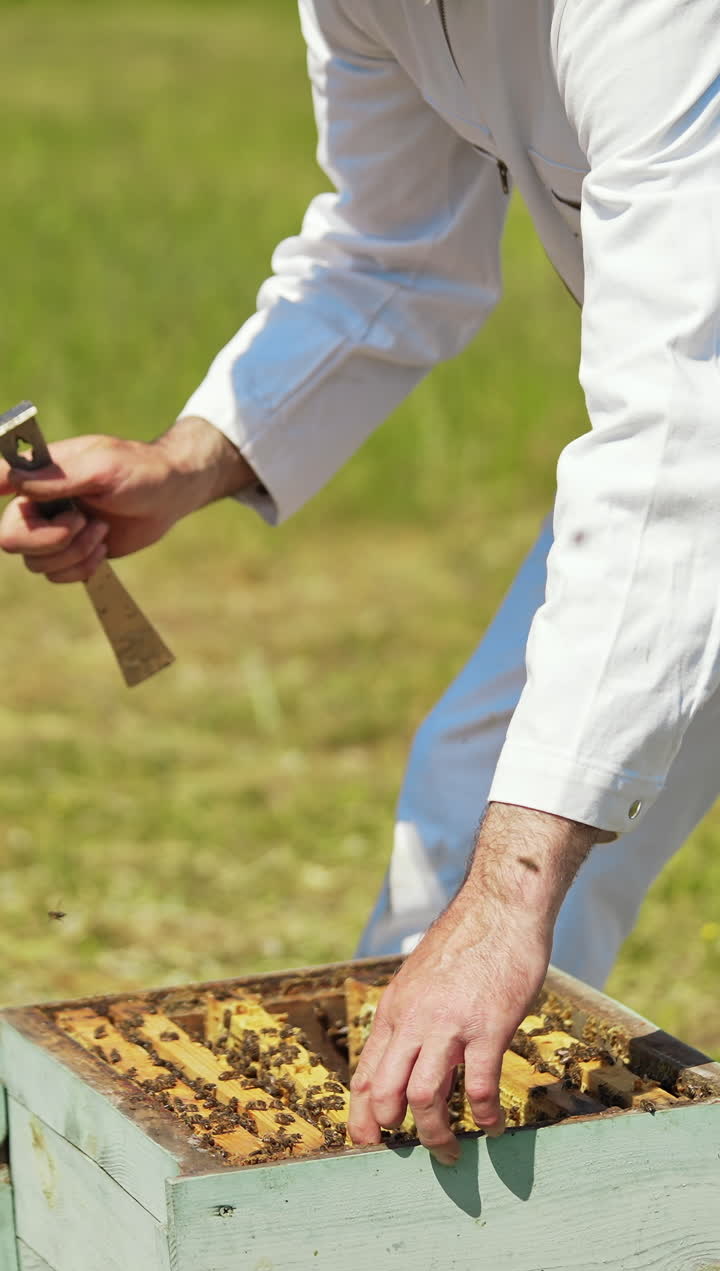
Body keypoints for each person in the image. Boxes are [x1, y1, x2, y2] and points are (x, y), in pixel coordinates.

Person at [2, 0, 719, 1167]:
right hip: (698, 442)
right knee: (464, 809)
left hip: (698, 437)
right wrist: (186, 463)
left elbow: (684, 437)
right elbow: (390, 248)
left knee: (499, 870)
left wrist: (506, 906)